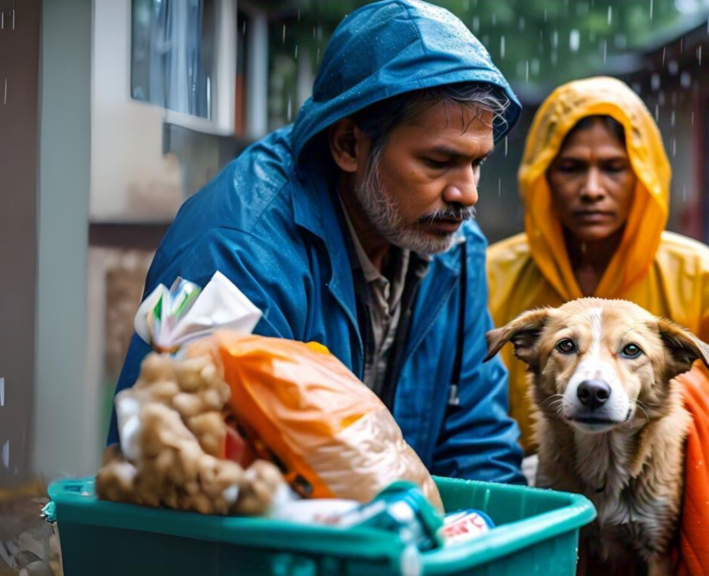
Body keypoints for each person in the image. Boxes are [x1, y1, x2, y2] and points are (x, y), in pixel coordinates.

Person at [108, 0, 524, 485]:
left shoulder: (455, 245)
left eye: (477, 163)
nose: (467, 193)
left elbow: (478, 444)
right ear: (349, 144)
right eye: (438, 162)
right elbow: (184, 470)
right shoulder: (233, 253)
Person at [487, 77, 709, 542]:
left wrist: (655, 461)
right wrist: (517, 476)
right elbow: (462, 398)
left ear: (643, 172)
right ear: (542, 175)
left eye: (614, 167)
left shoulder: (698, 273)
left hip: (653, 498)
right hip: (531, 495)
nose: (592, 189)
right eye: (571, 167)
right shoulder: (491, 272)